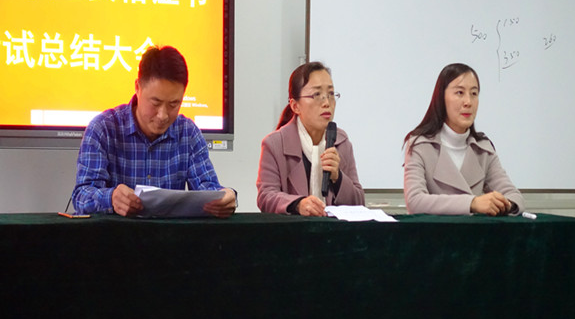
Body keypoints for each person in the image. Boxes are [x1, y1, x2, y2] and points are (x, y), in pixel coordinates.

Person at [71, 45, 236, 218]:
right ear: (138, 87)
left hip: (169, 234)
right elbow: (81, 197)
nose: (163, 115)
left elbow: (208, 189)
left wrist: (225, 196)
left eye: (174, 104)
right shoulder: (103, 129)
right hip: (116, 234)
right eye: (155, 103)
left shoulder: (188, 133)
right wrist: (111, 198)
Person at [403, 63, 524, 216]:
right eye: (460, 93)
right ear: (441, 98)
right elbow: (415, 201)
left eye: (474, 93)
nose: (468, 102)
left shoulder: (483, 148)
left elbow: (514, 196)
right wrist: (472, 203)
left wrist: (503, 204)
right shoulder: (420, 145)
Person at [257, 61, 365, 216]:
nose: (327, 103)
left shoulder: (341, 142)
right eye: (316, 95)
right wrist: (298, 204)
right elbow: (265, 197)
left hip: (332, 230)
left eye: (331, 94)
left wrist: (338, 177)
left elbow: (359, 202)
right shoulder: (274, 144)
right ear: (295, 106)